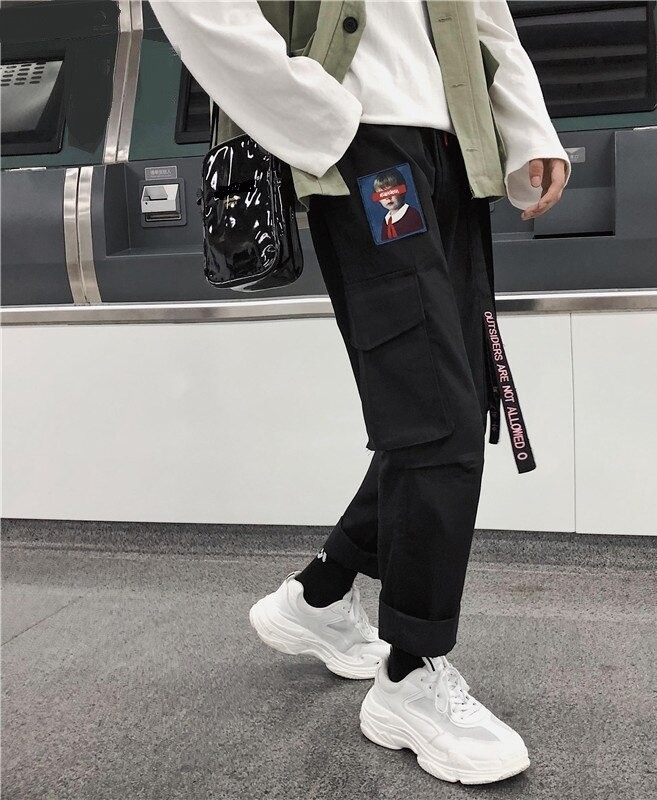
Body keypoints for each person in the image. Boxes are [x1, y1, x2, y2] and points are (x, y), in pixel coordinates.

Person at [152, 0, 570, 785]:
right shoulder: (343, 122)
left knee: (451, 401)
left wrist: (527, 125)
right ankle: (409, 676)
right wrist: (315, 113)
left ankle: (321, 594)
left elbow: (484, 13)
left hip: (458, 146)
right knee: (437, 413)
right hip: (364, 138)